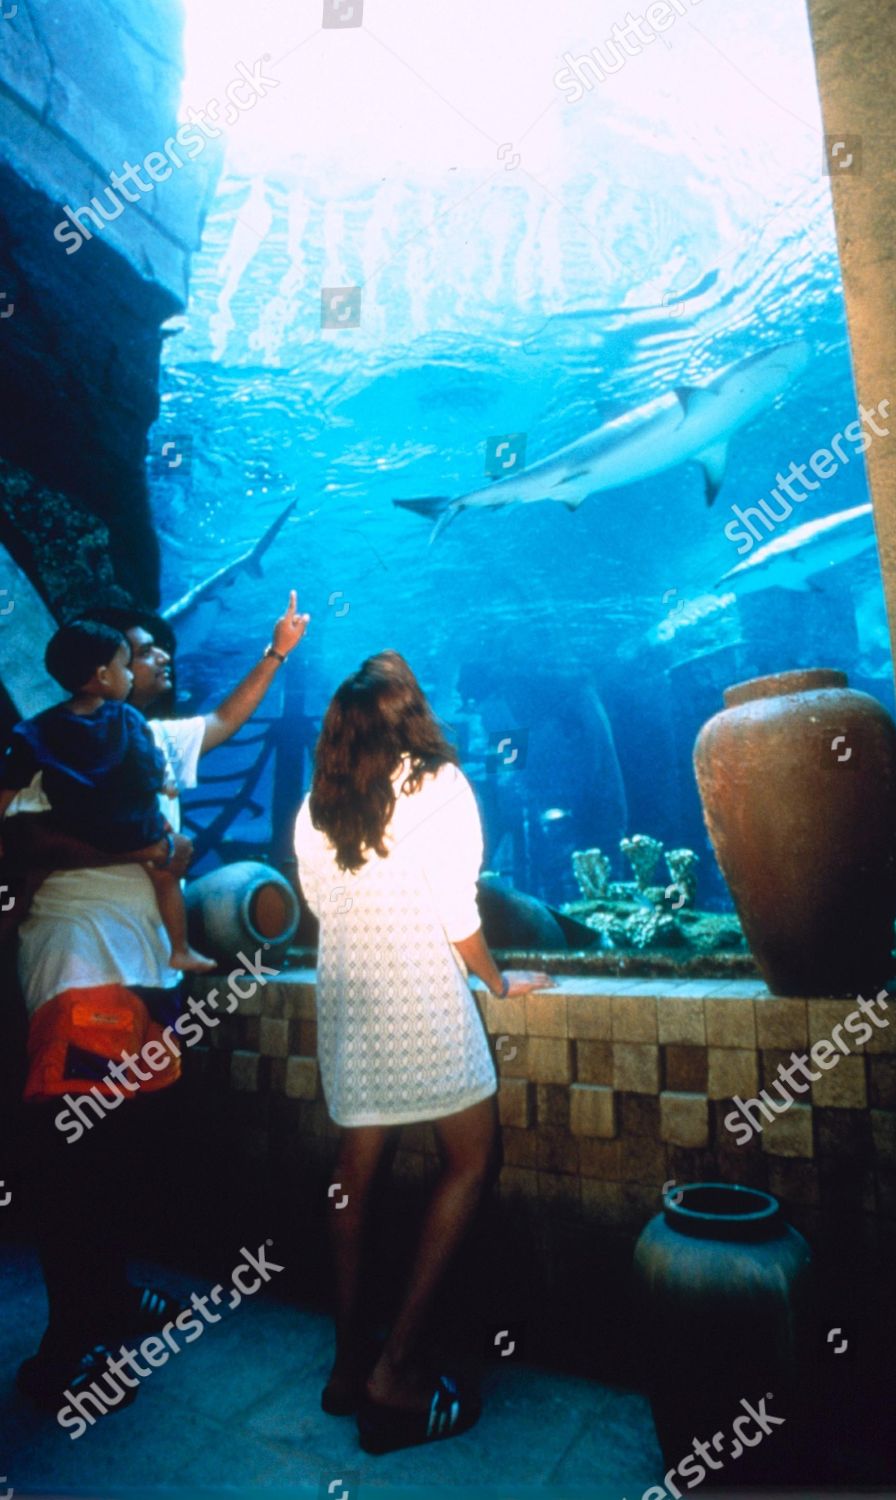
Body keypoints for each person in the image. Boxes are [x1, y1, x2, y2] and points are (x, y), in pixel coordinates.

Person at [3, 591, 309, 1410]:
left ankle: (103, 1297)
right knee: (75, 1166)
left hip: (146, 974)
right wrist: (136, 845)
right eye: (141, 651)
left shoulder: (149, 740)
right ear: (105, 670)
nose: (157, 659)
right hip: (79, 964)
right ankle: (65, 1348)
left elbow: (227, 721)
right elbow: (21, 840)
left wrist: (276, 653)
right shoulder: (57, 743)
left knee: (117, 1154)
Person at [294, 650, 552, 1455]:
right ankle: (397, 1371)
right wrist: (499, 982)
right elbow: (455, 911)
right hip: (419, 1002)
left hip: (346, 1003)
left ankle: (345, 1366)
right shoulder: (437, 784)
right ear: (408, 717)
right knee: (471, 1160)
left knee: (352, 1176)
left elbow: (318, 905)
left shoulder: (317, 806)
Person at [0, 620, 214, 972]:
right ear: (103, 675)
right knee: (165, 871)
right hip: (133, 829)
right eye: (124, 666)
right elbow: (148, 765)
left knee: (28, 879)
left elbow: (10, 783)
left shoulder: (36, 729)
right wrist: (165, 782)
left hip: (76, 828)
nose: (130, 675)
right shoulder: (128, 718)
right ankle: (180, 949)